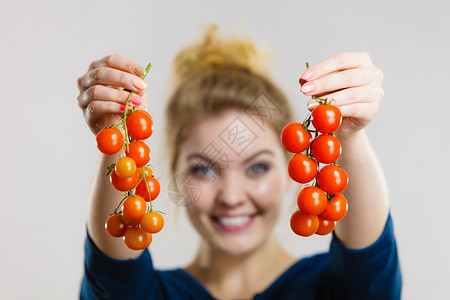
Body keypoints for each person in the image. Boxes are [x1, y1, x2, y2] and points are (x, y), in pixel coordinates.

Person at [77, 26, 402, 299]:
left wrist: (347, 135)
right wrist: (115, 135)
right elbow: (113, 274)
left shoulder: (331, 289)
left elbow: (368, 267)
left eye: (257, 167)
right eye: (203, 169)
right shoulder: (150, 294)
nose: (231, 196)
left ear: (293, 166)